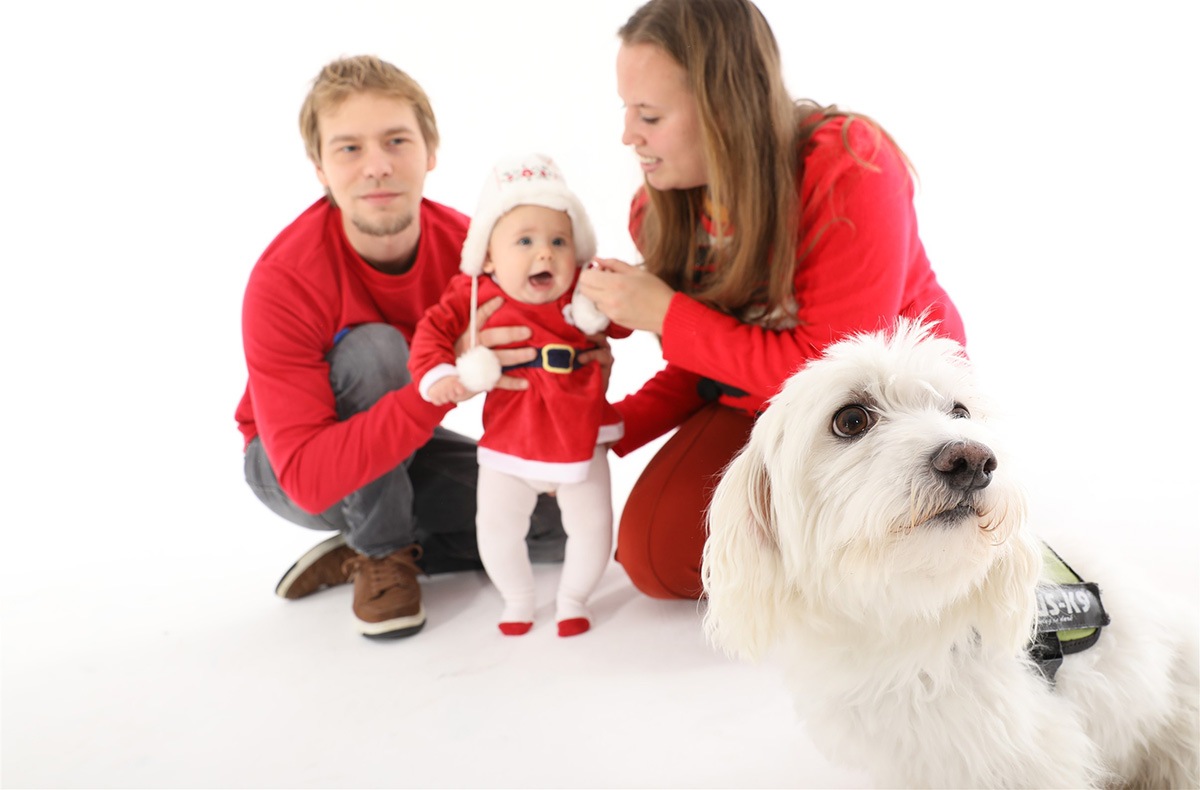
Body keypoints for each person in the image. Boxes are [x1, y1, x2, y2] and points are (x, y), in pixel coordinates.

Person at [578, 0, 967, 600]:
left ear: (722, 109)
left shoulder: (850, 166)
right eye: (626, 109)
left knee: (853, 534)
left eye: (649, 115)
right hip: (763, 397)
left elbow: (836, 379)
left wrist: (664, 313)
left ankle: (910, 550)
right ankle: (844, 561)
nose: (629, 135)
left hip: (883, 406)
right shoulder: (661, 209)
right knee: (655, 554)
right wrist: (610, 425)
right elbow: (706, 365)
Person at [236, 56, 567, 640]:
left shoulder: (473, 253)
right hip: (292, 466)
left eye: (396, 141)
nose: (377, 166)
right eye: (349, 149)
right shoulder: (284, 279)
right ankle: (381, 553)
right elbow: (308, 480)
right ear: (320, 168)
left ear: (430, 152)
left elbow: (539, 337)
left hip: (398, 444)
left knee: (551, 526)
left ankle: (382, 546)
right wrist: (446, 382)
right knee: (378, 352)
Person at [409, 154, 630, 637]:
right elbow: (431, 333)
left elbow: (626, 316)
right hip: (511, 437)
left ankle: (573, 598)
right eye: (525, 241)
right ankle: (517, 597)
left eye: (559, 241)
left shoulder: (581, 292)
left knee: (593, 524)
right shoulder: (475, 293)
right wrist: (439, 374)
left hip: (579, 433)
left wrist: (615, 290)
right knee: (496, 526)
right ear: (488, 257)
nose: (545, 254)